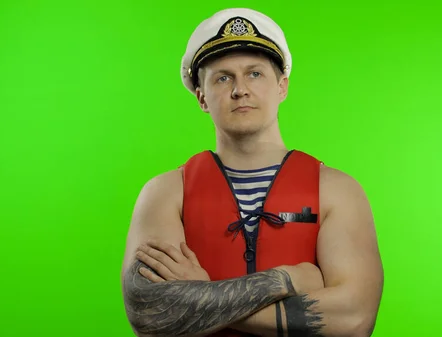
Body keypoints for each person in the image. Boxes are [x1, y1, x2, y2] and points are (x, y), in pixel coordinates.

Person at [120, 7, 384, 337]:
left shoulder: (336, 190)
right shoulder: (165, 192)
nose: (240, 89)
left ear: (282, 87)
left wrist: (202, 295)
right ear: (202, 98)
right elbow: (150, 312)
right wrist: (287, 279)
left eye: (255, 73)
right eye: (223, 77)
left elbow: (354, 320)